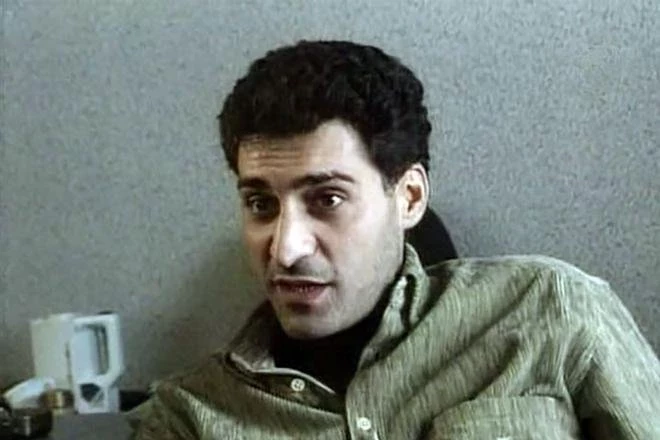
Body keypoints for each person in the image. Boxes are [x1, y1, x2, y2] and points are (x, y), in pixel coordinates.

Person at [129, 40, 660, 439]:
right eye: (261, 204)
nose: (286, 249)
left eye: (327, 199)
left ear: (408, 197)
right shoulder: (188, 418)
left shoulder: (551, 309)